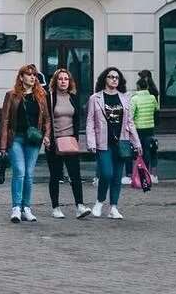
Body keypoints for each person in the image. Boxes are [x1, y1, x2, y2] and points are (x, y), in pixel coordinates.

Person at [86, 66, 144, 219]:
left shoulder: (125, 98)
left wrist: (137, 143)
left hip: (122, 143)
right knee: (106, 173)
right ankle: (99, 202)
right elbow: (90, 122)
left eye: (117, 78)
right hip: (103, 142)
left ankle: (113, 207)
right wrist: (91, 142)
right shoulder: (95, 98)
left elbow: (130, 122)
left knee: (117, 176)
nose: (114, 79)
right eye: (111, 77)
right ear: (105, 79)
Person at [0, 63, 49, 223]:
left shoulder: (41, 96)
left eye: (34, 75)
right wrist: (3, 145)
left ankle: (26, 208)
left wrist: (46, 135)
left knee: (29, 174)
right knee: (19, 171)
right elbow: (5, 120)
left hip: (33, 139)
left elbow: (47, 119)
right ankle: (16, 208)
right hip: (16, 138)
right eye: (29, 74)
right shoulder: (12, 95)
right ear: (21, 77)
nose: (32, 77)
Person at [45, 68, 90, 219]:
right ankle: (56, 207)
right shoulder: (49, 97)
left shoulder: (72, 97)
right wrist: (47, 137)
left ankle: (80, 206)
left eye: (66, 79)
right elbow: (46, 119)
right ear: (55, 81)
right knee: (55, 175)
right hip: (54, 142)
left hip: (70, 141)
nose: (63, 81)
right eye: (60, 79)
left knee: (75, 175)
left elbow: (77, 118)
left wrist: (76, 136)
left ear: (69, 82)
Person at [127, 70, 160, 185]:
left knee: (137, 152)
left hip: (138, 128)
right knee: (148, 150)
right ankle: (148, 175)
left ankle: (139, 176)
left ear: (138, 87)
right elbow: (156, 109)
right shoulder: (152, 97)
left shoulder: (134, 99)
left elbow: (131, 114)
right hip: (150, 127)